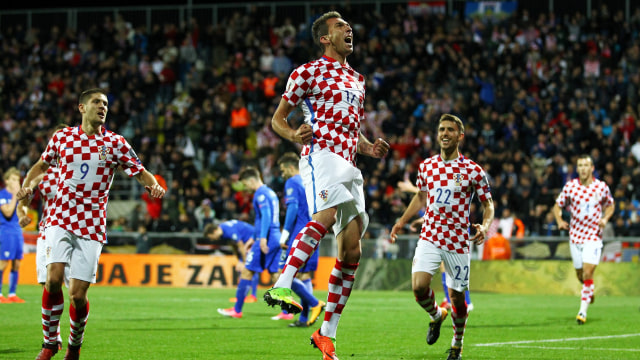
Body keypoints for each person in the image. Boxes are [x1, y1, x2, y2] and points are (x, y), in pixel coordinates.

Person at [265, 11, 390, 360]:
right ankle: (283, 283)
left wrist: (368, 147)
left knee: (352, 251)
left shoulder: (357, 79)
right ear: (325, 38)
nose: (348, 29)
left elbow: (353, 129)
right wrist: (293, 133)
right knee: (326, 212)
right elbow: (278, 119)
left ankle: (326, 334)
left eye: (349, 26)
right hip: (320, 155)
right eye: (340, 27)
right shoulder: (307, 72)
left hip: (349, 162)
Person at [16, 88, 166, 360]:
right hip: (59, 217)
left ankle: (74, 346)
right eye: (97, 102)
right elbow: (40, 166)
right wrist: (28, 186)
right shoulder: (62, 137)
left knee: (77, 295)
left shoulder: (116, 143)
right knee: (52, 280)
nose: (103, 107)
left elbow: (140, 171)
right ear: (82, 107)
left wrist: (153, 185)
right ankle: (50, 343)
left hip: (92, 223)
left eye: (106, 103)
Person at [390, 114, 494, 360]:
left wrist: (485, 225)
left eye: (450, 130)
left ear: (460, 135)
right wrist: (402, 221)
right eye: (441, 129)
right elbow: (421, 197)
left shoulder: (472, 170)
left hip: (458, 241)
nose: (444, 134)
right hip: (431, 235)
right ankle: (437, 315)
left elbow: (488, 204)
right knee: (418, 287)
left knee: (458, 299)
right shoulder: (427, 166)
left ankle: (457, 343)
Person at [552, 154, 614, 325]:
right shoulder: (571, 187)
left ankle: (582, 312)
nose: (583, 168)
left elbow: (610, 204)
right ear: (577, 168)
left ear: (592, 168)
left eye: (586, 165)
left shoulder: (601, 187)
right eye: (580, 165)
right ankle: (589, 291)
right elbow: (557, 205)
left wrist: (605, 219)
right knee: (580, 275)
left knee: (588, 272)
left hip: (593, 236)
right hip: (575, 236)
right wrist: (559, 221)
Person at [217, 167, 282, 318]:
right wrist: (253, 237)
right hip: (275, 235)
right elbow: (261, 219)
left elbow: (265, 216)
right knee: (275, 274)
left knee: (246, 271)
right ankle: (286, 312)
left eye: (246, 184)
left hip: (267, 237)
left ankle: (237, 310)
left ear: (251, 180)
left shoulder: (260, 194)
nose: (246, 188)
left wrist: (262, 238)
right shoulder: (270, 192)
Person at [275, 152, 325, 328]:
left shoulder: (292, 182)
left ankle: (314, 302)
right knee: (304, 275)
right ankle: (304, 319)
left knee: (284, 272)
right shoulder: (309, 180)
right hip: (314, 229)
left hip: (299, 232)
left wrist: (285, 234)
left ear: (290, 167)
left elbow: (293, 208)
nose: (283, 175)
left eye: (283, 170)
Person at [203, 220, 259, 303]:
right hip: (247, 242)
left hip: (253, 239)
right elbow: (234, 245)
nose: (213, 240)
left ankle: (253, 296)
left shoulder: (228, 230)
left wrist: (243, 262)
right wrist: (239, 260)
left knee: (249, 267)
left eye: (211, 237)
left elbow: (240, 245)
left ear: (214, 231)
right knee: (244, 269)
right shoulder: (223, 232)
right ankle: (242, 296)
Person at [0, 167, 26, 304]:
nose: (17, 182)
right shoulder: (2, 195)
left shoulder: (18, 197)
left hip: (17, 232)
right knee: (3, 262)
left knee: (16, 263)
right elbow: (8, 212)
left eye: (18, 179)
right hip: (6, 232)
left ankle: (12, 294)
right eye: (14, 179)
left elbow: (23, 213)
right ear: (7, 181)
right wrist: (15, 197)